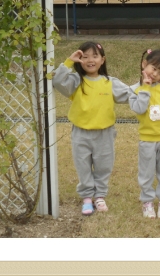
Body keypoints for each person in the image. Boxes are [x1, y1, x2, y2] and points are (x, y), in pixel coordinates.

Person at [52, 41, 131, 216]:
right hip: (81, 133)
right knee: (83, 166)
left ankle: (100, 196)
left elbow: (130, 94)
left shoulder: (110, 82)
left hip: (105, 133)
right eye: (85, 56)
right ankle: (87, 198)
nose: (90, 60)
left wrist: (146, 88)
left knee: (104, 166)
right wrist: (69, 61)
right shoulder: (75, 81)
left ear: (102, 60)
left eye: (95, 56)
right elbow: (57, 80)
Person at [129, 49, 160, 219]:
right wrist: (145, 88)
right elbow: (139, 108)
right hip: (147, 139)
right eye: (154, 68)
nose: (156, 74)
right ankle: (147, 201)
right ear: (144, 64)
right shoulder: (134, 90)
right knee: (146, 172)